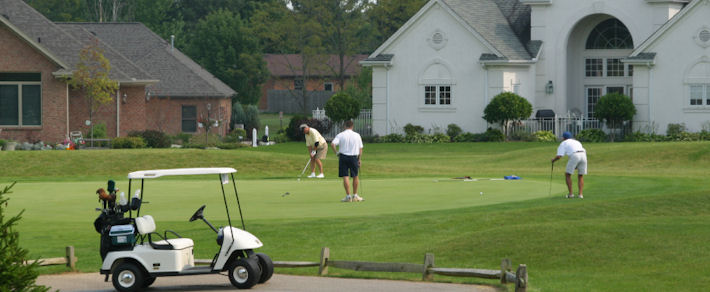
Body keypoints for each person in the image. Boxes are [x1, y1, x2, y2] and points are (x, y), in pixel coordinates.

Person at [330, 120, 364, 202]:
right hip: (353, 157)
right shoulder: (357, 135)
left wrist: (336, 153)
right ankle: (355, 195)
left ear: (345, 126)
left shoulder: (340, 135)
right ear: (352, 126)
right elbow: (360, 148)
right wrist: (359, 159)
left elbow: (332, 144)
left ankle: (348, 196)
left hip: (343, 157)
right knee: (355, 176)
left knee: (345, 176)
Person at [551, 131, 587, 199]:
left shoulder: (564, 143)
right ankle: (580, 195)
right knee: (580, 175)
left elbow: (559, 156)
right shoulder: (576, 141)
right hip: (583, 155)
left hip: (575, 155)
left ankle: (571, 194)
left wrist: (553, 160)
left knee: (567, 174)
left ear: (563, 138)